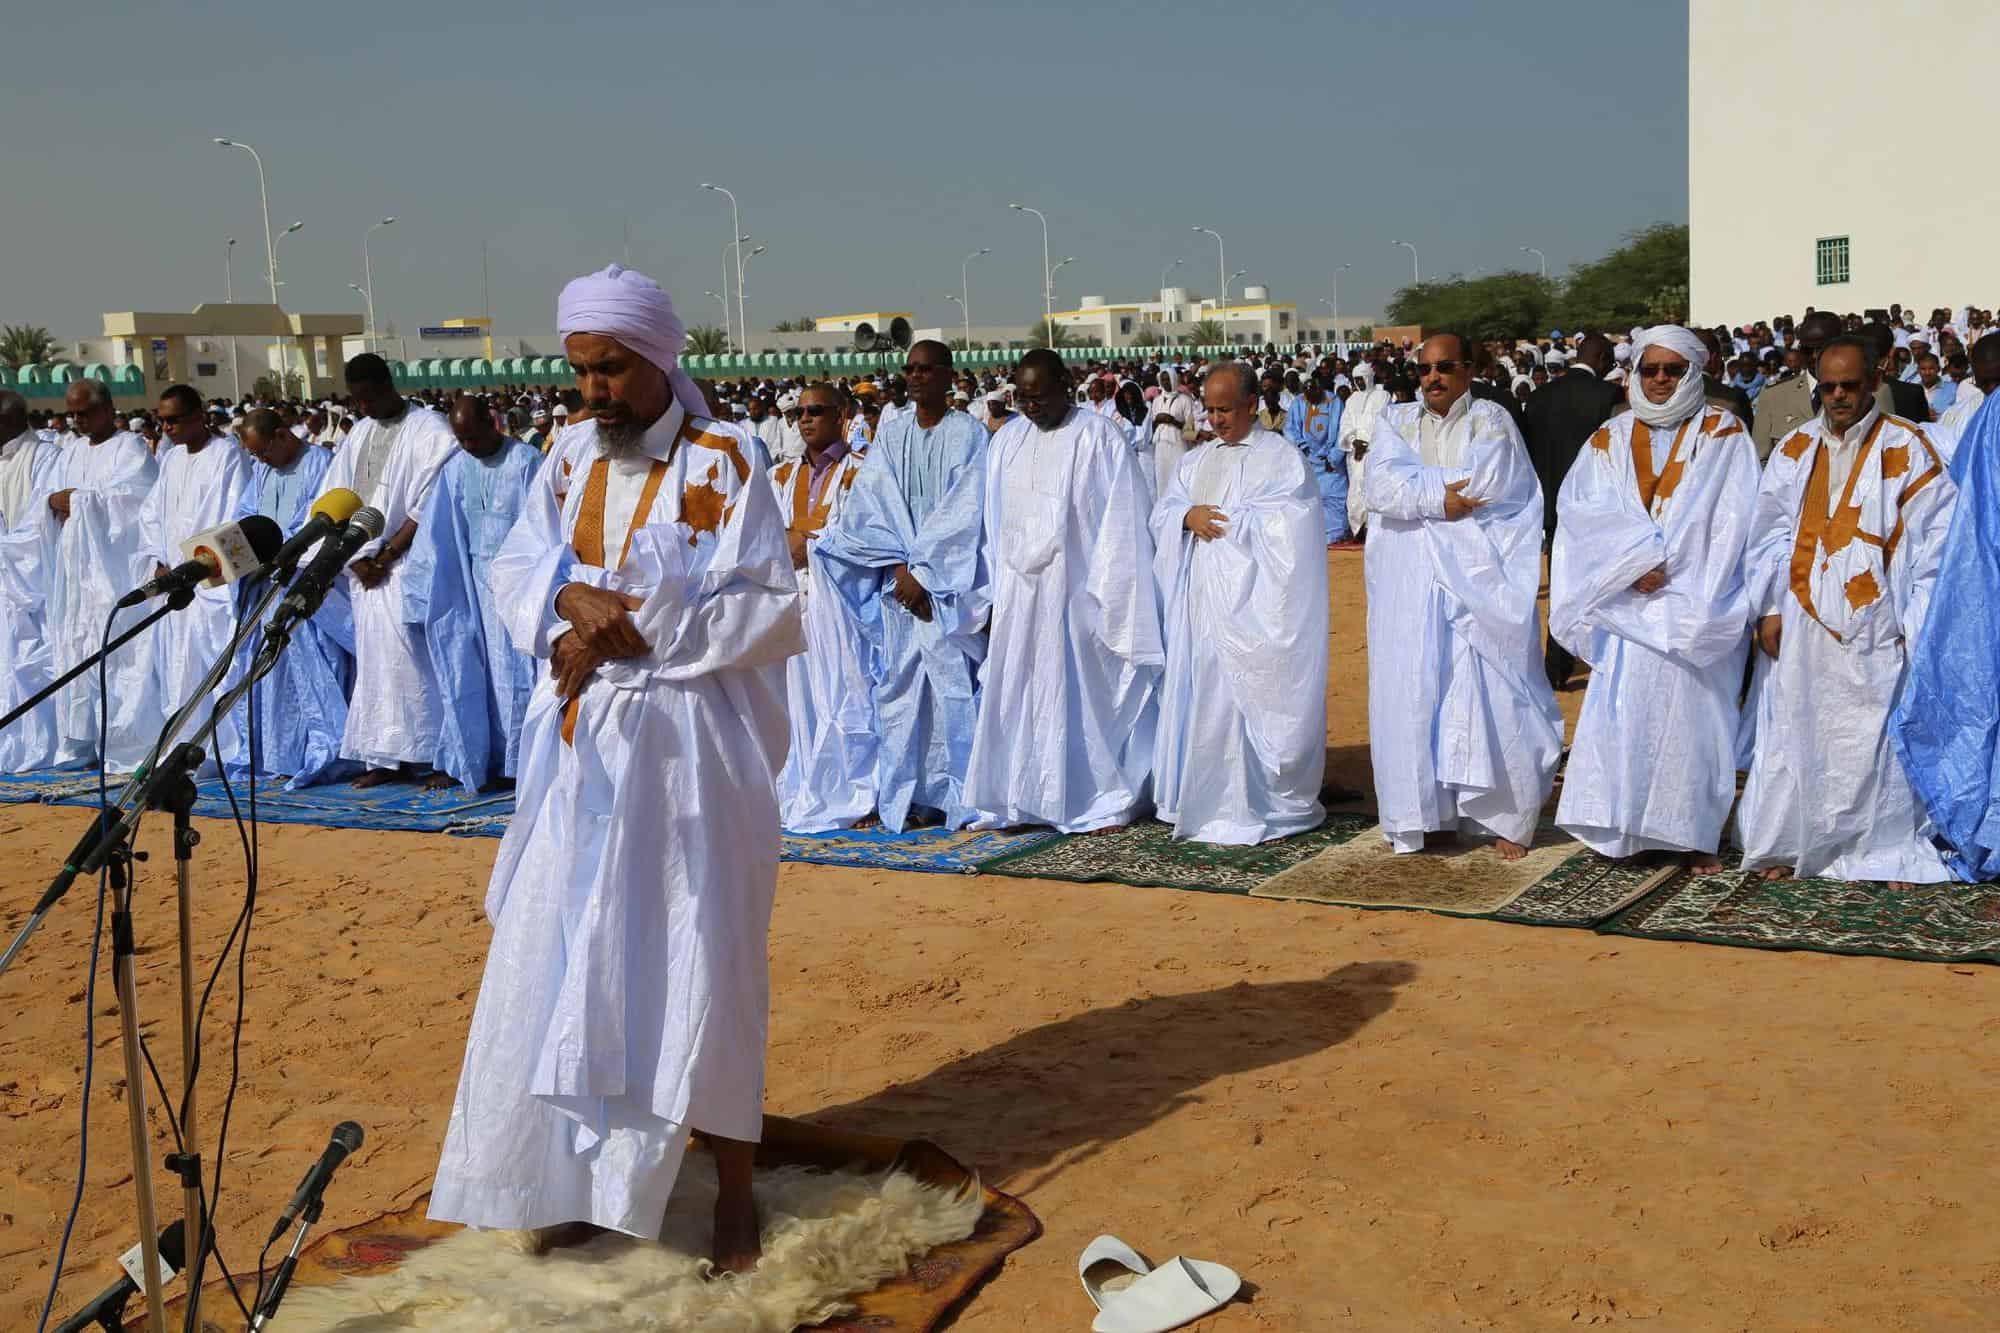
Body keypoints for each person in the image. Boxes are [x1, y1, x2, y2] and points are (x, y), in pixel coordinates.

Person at [430, 265, 802, 1273]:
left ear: (659, 361)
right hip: (584, 752)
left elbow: (768, 602)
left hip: (688, 755)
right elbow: (521, 565)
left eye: (612, 371)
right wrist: (564, 605)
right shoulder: (561, 457)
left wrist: (631, 627)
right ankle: (588, 1182)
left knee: (699, 964)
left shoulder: (728, 458)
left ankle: (729, 1188)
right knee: (569, 957)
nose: (593, 391)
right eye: (580, 371)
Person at [1737, 336, 1955, 887]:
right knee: (1798, 730)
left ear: (1876, 379)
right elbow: (1766, 535)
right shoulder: (1793, 448)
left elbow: (1938, 545)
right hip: (1803, 620)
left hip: (1881, 624)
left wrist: (1918, 623)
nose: (1838, 396)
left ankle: (1884, 851)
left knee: (1872, 738)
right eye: (1828, 386)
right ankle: (1794, 842)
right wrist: (1768, 608)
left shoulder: (1910, 447)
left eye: (1850, 385)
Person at [1549, 327, 1761, 872]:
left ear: (1695, 372)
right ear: (1635, 373)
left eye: (1673, 370)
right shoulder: (1609, 438)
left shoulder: (1725, 434)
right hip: (1627, 610)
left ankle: (1690, 834)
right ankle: (1625, 831)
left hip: (1696, 602)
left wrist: (1678, 575)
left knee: (1693, 723)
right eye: (1651, 370)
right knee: (1626, 719)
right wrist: (1632, 564)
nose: (1662, 380)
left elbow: (1733, 520)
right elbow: (1580, 512)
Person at [1362, 334, 1562, 860]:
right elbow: (1378, 486)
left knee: (1483, 688)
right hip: (1408, 583)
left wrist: (1416, 492)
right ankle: (1430, 815)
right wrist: (1434, 496)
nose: (1433, 378)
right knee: (1414, 690)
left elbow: (1484, 487)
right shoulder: (1395, 420)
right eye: (1424, 369)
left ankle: (1502, 817)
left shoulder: (1491, 420)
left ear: (1469, 370)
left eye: (1445, 367)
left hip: (1477, 581)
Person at [961, 349, 1163, 833]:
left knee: (1083, 696)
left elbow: (1123, 522)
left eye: (1039, 396)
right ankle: (1022, 798)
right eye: (1022, 397)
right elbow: (993, 522)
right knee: (1021, 694)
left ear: (1066, 388)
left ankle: (1094, 796)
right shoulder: (1006, 441)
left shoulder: (1099, 437)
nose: (1030, 406)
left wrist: (1112, 596)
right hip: (1020, 597)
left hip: (1079, 596)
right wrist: (992, 593)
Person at [1151, 362, 1327, 843]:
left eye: (1225, 409)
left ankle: (1260, 798)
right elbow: (1164, 512)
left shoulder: (1280, 458)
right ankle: (1207, 795)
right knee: (1205, 690)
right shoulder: (1195, 460)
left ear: (1252, 405)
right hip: (1202, 605)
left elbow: (1293, 525)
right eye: (1208, 409)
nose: (1215, 420)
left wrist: (1229, 525)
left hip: (1254, 608)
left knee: (1248, 693)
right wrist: (1187, 516)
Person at [814, 340, 987, 830]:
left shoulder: (970, 435)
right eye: (910, 369)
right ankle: (902, 798)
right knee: (899, 693)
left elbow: (966, 514)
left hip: (945, 593)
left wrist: (926, 574)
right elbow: (873, 508)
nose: (915, 377)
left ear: (949, 376)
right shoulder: (890, 436)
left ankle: (963, 798)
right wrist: (898, 567)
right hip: (900, 589)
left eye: (926, 369)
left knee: (955, 692)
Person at [321, 354, 458, 787]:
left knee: (420, 664)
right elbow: (336, 496)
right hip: (364, 568)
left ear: (387, 385)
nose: (362, 407)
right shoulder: (358, 432)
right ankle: (384, 757)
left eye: (368, 397)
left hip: (408, 567)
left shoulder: (429, 429)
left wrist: (388, 554)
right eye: (355, 399)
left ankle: (442, 756)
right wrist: (354, 558)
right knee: (379, 668)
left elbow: (431, 501)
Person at [404, 396, 543, 791]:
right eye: (460, 439)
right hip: (473, 587)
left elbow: (544, 525)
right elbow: (439, 534)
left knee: (519, 676)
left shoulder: (526, 463)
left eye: (472, 437)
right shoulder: (457, 469)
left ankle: (522, 763)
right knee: (472, 675)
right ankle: (481, 761)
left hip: (520, 586)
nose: (467, 446)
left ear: (493, 422)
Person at [227, 409, 354, 786]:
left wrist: (285, 554)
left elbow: (316, 520)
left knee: (316, 674)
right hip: (267, 588)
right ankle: (280, 756)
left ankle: (326, 753)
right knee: (272, 675)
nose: (261, 460)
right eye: (256, 456)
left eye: (264, 451)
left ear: (283, 435)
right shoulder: (264, 470)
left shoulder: (322, 463)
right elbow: (247, 515)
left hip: (306, 587)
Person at [44, 379, 162, 772]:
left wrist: (78, 500)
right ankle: (83, 742)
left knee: (121, 657)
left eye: (85, 413)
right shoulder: (71, 450)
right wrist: (57, 501)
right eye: (72, 413)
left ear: (108, 410)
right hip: (78, 576)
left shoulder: (129, 448)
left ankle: (126, 747)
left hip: (115, 572)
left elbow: (136, 500)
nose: (77, 420)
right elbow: (50, 497)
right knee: (78, 652)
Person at [771, 382, 872, 830]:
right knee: (796, 699)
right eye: (799, 414)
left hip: (844, 608)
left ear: (841, 414)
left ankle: (852, 787)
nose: (806, 419)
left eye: (816, 410)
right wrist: (786, 546)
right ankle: (802, 785)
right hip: (792, 601)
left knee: (846, 694)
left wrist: (810, 545)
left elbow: (870, 536)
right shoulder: (780, 476)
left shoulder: (864, 472)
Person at [139, 384, 253, 772]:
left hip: (213, 586)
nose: (166, 427)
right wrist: (160, 560)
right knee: (179, 672)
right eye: (161, 420)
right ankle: (183, 752)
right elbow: (152, 514)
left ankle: (224, 754)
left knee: (217, 669)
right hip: (177, 586)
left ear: (198, 415)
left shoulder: (227, 457)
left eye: (173, 419)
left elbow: (234, 517)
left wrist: (198, 566)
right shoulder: (170, 460)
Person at [1523, 333, 1624, 690]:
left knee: (1562, 587)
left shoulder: (1539, 397)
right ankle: (1604, 660)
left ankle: (1556, 665)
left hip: (1551, 507)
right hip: (1598, 508)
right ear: (1602, 358)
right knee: (1606, 588)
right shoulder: (1609, 396)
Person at [0, 389, 62, 769]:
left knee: (34, 658)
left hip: (34, 577)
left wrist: (8, 549)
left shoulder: (45, 457)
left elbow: (42, 516)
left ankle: (43, 745)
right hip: (4, 578)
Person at [1753, 310, 1839, 461]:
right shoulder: (1774, 396)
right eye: (1807, 350)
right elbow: (1760, 460)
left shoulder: (1868, 392)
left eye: (1822, 349)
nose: (1814, 356)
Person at [1284, 374, 1348, 544]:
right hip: (1307, 461)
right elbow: (1290, 429)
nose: (1310, 395)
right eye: (1307, 392)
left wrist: (1333, 457)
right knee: (1307, 501)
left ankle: (1334, 535)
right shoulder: (1298, 402)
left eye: (1314, 391)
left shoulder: (1334, 402)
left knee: (1333, 499)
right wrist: (1302, 450)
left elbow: (1343, 431)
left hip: (1330, 463)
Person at [1337, 360, 1390, 536]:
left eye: (1361, 379)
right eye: (1356, 379)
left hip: (1375, 451)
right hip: (1355, 454)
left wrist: (1369, 443)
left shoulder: (1382, 396)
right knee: (1355, 490)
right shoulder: (1352, 400)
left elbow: (1383, 422)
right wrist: (1354, 441)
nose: (1358, 383)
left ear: (1369, 378)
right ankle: (1357, 528)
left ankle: (1372, 528)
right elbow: (1345, 424)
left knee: (1374, 488)